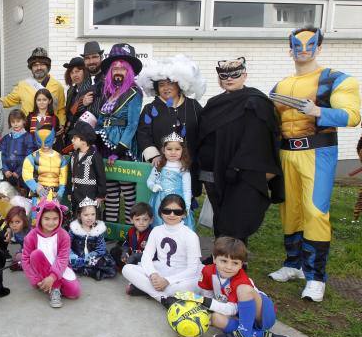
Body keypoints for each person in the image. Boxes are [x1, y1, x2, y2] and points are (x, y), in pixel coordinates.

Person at [267, 27, 360, 302]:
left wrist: (319, 111)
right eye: (297, 45)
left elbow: (352, 116)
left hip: (318, 152)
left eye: (310, 45)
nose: (303, 49)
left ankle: (316, 277)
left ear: (319, 48)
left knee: (316, 211)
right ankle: (293, 264)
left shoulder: (336, 79)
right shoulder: (280, 86)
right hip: (287, 153)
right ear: (290, 49)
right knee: (290, 209)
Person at [197, 58, 283, 243]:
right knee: (219, 212)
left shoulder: (256, 102)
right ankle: (219, 254)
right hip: (212, 170)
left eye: (235, 74)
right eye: (224, 75)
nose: (229, 79)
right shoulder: (214, 103)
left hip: (242, 171)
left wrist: (237, 167)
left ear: (245, 75)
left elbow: (257, 139)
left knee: (237, 214)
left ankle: (236, 259)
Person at [163, 237, 294, 337]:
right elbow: (208, 297)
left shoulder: (240, 280)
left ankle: (244, 335)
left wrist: (202, 300)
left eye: (235, 263)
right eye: (224, 261)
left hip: (262, 314)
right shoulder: (208, 271)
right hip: (239, 316)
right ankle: (260, 336)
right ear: (214, 259)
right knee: (214, 318)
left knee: (244, 289)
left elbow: (232, 308)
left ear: (241, 264)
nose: (229, 267)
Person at [136, 54, 205, 190]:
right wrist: (154, 155)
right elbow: (143, 134)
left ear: (179, 85)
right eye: (161, 85)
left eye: (170, 83)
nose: (166, 88)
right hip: (162, 166)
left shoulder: (193, 106)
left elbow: (204, 131)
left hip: (189, 165)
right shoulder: (150, 109)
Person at [94, 44, 143, 225]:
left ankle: (131, 230)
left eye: (122, 68)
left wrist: (120, 150)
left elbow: (132, 125)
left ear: (129, 71)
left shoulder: (134, 93)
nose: (118, 71)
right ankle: (111, 230)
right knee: (111, 191)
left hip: (123, 147)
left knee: (127, 191)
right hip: (105, 146)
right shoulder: (109, 93)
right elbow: (101, 119)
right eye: (115, 67)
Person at [121, 194, 201, 302]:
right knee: (127, 269)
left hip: (182, 276)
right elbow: (146, 257)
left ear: (184, 214)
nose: (172, 214)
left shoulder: (190, 235)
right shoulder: (156, 230)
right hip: (161, 270)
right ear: (160, 212)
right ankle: (162, 298)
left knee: (177, 288)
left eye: (177, 211)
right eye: (167, 211)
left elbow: (192, 269)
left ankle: (148, 289)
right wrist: (152, 274)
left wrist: (167, 281)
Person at [22, 196, 80, 308]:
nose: (51, 222)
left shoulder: (64, 235)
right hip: (39, 271)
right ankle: (55, 289)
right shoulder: (31, 236)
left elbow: (63, 258)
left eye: (55, 219)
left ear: (60, 218)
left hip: (58, 269)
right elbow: (25, 259)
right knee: (35, 254)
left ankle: (52, 284)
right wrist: (36, 280)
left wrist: (52, 277)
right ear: (40, 218)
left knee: (74, 292)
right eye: (46, 219)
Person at [2, 47, 67, 126]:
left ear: (48, 66)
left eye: (42, 64)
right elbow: (8, 100)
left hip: (50, 131)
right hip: (28, 131)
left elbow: (61, 109)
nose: (39, 68)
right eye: (35, 65)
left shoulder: (58, 86)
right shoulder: (22, 85)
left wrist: (61, 124)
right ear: (31, 68)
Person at [147, 132, 194, 229]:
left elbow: (187, 189)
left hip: (177, 201)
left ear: (182, 151)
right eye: (169, 149)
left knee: (177, 223)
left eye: (177, 149)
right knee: (159, 223)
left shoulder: (183, 168)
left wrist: (187, 206)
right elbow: (150, 181)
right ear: (163, 150)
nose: (173, 152)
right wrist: (153, 186)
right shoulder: (159, 166)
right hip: (160, 201)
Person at [68, 198, 115, 280]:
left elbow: (101, 248)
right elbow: (66, 244)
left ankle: (87, 270)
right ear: (79, 215)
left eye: (93, 214)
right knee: (67, 261)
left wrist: (91, 255)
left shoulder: (97, 230)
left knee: (108, 266)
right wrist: (72, 255)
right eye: (86, 215)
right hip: (77, 257)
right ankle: (88, 270)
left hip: (92, 258)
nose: (90, 218)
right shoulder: (74, 229)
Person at [22, 126, 68, 203]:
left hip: (55, 197)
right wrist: (35, 187)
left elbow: (63, 179)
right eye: (40, 141)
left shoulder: (61, 159)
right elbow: (26, 175)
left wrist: (60, 194)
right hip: (38, 198)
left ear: (54, 140)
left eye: (47, 141)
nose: (43, 144)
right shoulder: (31, 158)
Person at [69, 120, 106, 213]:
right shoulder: (74, 155)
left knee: (89, 218)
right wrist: (70, 192)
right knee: (76, 216)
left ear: (83, 141)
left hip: (89, 196)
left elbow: (101, 176)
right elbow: (71, 174)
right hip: (76, 196)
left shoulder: (94, 156)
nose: (72, 140)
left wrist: (100, 195)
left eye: (74, 138)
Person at [0, 109, 35, 193]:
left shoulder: (28, 137)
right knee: (7, 196)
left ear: (24, 121)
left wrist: (18, 171)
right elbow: (2, 155)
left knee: (22, 196)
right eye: (13, 122)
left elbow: (29, 156)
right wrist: (5, 170)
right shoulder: (6, 138)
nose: (15, 124)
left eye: (18, 121)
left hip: (23, 174)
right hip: (7, 174)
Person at [110, 202, 153, 271]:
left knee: (141, 263)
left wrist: (139, 255)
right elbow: (126, 244)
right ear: (131, 220)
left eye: (145, 219)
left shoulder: (152, 233)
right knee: (114, 251)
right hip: (131, 255)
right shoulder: (131, 231)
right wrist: (125, 252)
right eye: (137, 219)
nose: (141, 222)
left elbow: (154, 255)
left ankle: (130, 269)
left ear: (151, 220)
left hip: (142, 260)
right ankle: (123, 267)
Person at [63, 56, 94, 142]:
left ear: (85, 71)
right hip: (69, 133)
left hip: (83, 135)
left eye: (77, 71)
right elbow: (69, 112)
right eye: (72, 72)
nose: (75, 75)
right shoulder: (70, 90)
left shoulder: (90, 89)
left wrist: (82, 105)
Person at [80, 41, 105, 108]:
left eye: (94, 57)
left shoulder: (109, 80)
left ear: (101, 57)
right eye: (87, 58)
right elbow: (73, 110)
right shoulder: (82, 82)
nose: (91, 61)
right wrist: (83, 104)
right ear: (84, 61)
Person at [5, 206, 30, 270]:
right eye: (11, 222)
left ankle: (24, 266)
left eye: (17, 222)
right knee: (15, 258)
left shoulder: (30, 231)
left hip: (34, 252)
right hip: (25, 250)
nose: (14, 225)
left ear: (24, 221)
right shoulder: (15, 231)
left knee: (18, 257)